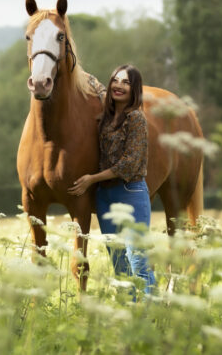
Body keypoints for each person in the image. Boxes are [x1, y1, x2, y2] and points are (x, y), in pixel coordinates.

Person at [68, 64, 155, 296]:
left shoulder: (136, 119)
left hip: (130, 193)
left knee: (137, 260)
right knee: (119, 263)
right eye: (115, 80)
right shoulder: (107, 114)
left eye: (126, 82)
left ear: (134, 88)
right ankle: (129, 314)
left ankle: (149, 315)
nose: (118, 86)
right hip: (105, 196)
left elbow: (130, 163)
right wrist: (74, 68)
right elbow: (96, 85)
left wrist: (91, 179)